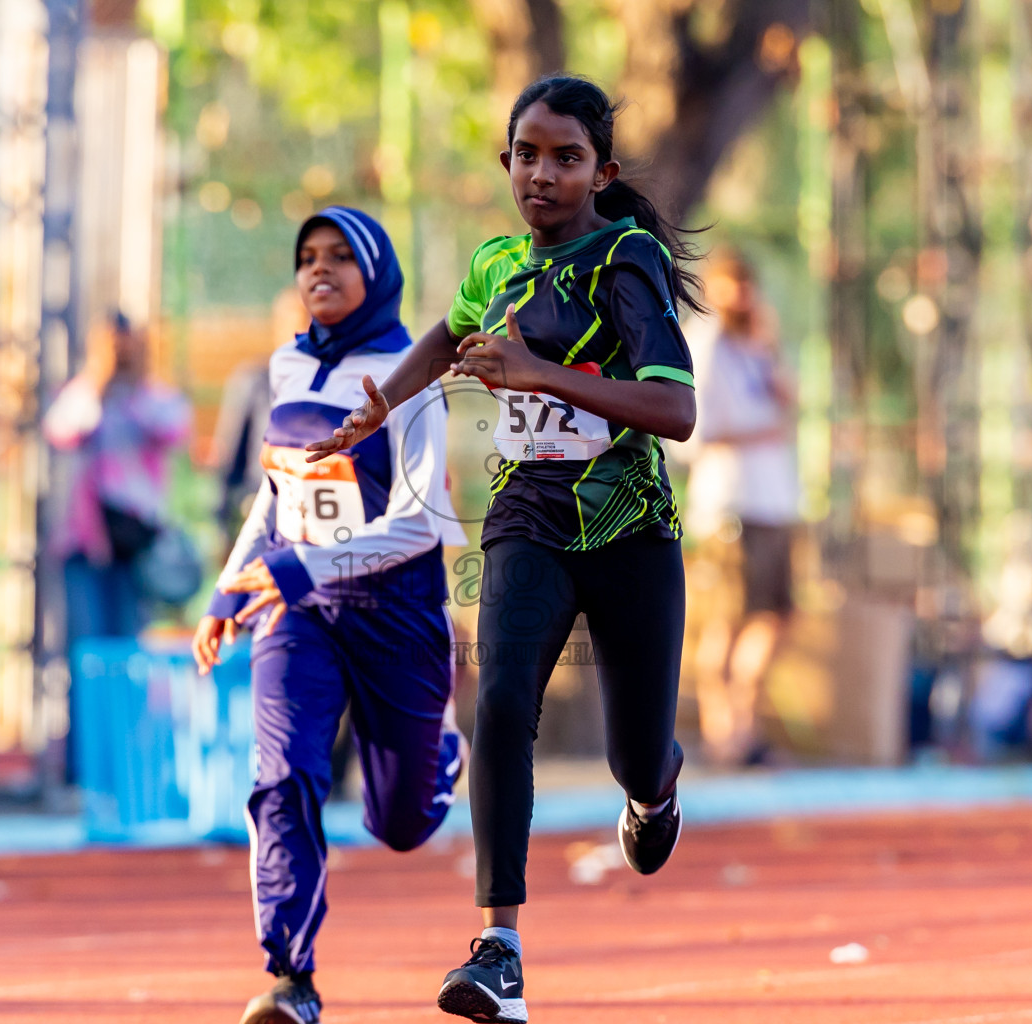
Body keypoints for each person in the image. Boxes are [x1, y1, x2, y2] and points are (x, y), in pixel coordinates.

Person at [307, 75, 702, 1024]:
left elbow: (676, 411)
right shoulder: (496, 265)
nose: (542, 173)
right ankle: (500, 948)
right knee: (501, 699)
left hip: (629, 529)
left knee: (635, 756)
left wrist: (536, 373)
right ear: (507, 161)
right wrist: (381, 403)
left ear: (601, 171)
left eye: (567, 158)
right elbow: (450, 330)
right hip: (527, 515)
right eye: (527, 154)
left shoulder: (626, 259)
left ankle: (656, 793)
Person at [192, 206, 466, 1024]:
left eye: (341, 257)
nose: (319, 270)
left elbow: (422, 523)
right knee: (282, 778)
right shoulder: (283, 366)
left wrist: (300, 565)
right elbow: (275, 497)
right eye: (308, 257)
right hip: (295, 612)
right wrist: (232, 588)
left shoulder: (412, 375)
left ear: (376, 271)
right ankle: (290, 976)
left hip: (396, 611)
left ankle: (441, 752)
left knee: (402, 823)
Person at [682, 251, 797, 765]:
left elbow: (789, 403)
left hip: (774, 501)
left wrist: (769, 347)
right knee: (724, 621)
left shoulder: (756, 346)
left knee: (774, 615)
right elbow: (691, 431)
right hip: (727, 504)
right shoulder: (704, 342)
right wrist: (758, 433)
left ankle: (745, 722)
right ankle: (723, 733)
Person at [44, 313, 191, 647]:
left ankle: (126, 702)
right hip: (83, 542)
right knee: (87, 640)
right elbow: (62, 430)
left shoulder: (154, 397)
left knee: (129, 639)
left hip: (134, 544)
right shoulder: (83, 394)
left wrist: (135, 386)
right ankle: (89, 702)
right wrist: (99, 381)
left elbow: (172, 429)